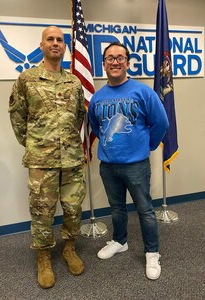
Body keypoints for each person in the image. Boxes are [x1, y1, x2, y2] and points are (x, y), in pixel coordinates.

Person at [9, 26, 86, 289]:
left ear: (64, 47)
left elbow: (78, 116)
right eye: (50, 39)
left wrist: (67, 143)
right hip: (42, 161)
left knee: (74, 209)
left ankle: (69, 248)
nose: (55, 43)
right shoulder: (26, 79)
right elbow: (18, 118)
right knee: (42, 213)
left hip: (72, 159)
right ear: (41, 45)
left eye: (60, 40)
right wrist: (36, 145)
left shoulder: (74, 81)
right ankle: (43, 257)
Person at [88, 42, 169, 280]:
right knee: (116, 208)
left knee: (145, 210)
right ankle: (120, 241)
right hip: (108, 165)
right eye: (110, 58)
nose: (115, 62)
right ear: (103, 64)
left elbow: (161, 123)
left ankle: (152, 252)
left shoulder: (143, 92)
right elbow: (96, 126)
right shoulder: (97, 97)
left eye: (120, 58)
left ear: (127, 62)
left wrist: (148, 146)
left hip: (136, 165)